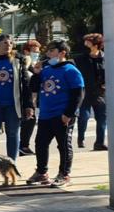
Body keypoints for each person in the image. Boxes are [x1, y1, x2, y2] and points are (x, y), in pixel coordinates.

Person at [27, 40, 84, 188]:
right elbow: (33, 87)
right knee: (40, 144)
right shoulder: (46, 69)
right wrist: (37, 74)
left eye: (51, 51)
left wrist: (68, 113)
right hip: (46, 114)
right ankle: (41, 172)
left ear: (62, 53)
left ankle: (64, 174)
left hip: (62, 114)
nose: (48, 54)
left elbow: (78, 94)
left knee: (64, 145)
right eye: (47, 51)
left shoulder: (70, 70)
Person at [75, 33, 107, 150]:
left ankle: (99, 142)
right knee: (84, 116)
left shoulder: (105, 58)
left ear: (96, 44)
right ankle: (81, 138)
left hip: (100, 92)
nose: (85, 44)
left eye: (88, 41)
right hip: (85, 92)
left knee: (102, 118)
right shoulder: (80, 59)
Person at [18, 40, 42, 155]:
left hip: (31, 99)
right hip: (23, 99)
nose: (37, 54)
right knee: (28, 121)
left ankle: (23, 145)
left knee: (30, 121)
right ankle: (23, 146)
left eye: (38, 52)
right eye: (34, 52)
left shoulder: (33, 65)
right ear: (26, 51)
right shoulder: (23, 64)